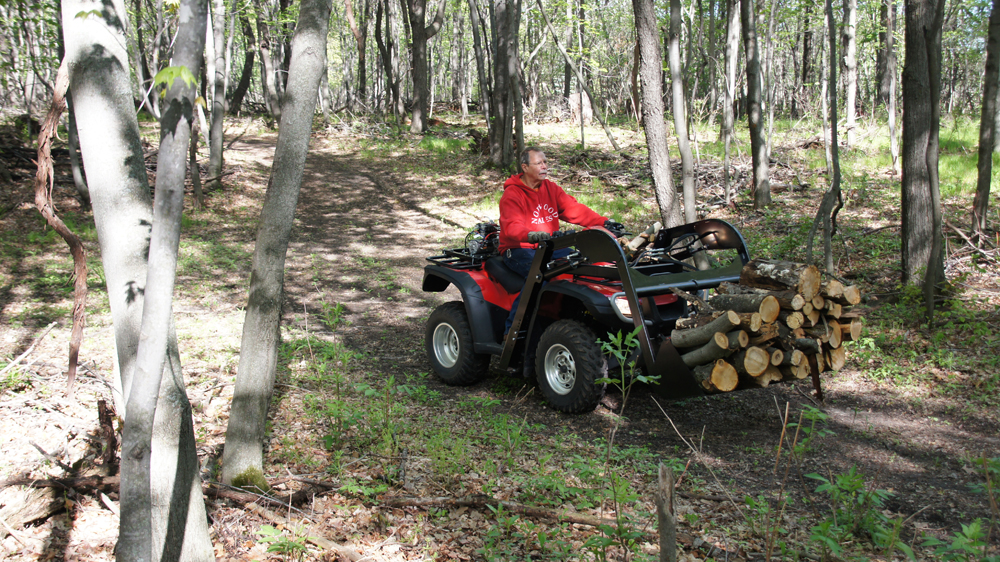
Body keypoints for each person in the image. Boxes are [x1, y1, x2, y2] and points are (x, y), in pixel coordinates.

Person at [499, 147, 622, 333]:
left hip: (549, 246)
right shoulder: (513, 194)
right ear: (524, 167)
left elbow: (575, 210)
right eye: (539, 163)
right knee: (540, 276)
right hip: (519, 248)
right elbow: (511, 227)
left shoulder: (551, 189)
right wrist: (530, 235)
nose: (544, 166)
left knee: (584, 265)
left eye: (545, 162)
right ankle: (513, 330)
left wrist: (603, 222)